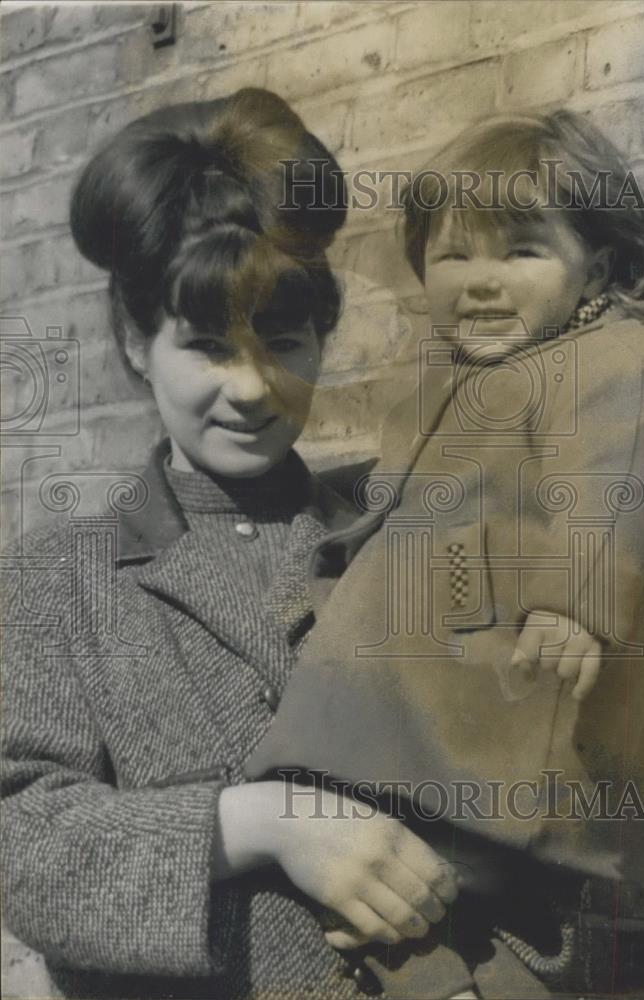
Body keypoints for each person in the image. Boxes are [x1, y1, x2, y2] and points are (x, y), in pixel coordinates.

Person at [0, 87, 462, 1000]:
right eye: (208, 344)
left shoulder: (404, 527)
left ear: (323, 338)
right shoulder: (62, 577)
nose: (252, 388)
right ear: (136, 345)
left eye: (283, 340)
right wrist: (256, 824)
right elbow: (24, 850)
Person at [244, 109, 644, 998]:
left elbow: (615, 474)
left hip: (514, 665)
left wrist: (577, 598)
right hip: (428, 659)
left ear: (593, 266)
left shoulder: (607, 363)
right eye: (453, 256)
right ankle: (437, 972)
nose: (481, 283)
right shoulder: (447, 368)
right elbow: (401, 488)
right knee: (358, 837)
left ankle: (453, 979)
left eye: (521, 251)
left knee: (466, 856)